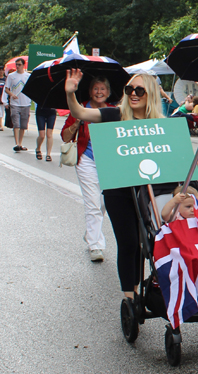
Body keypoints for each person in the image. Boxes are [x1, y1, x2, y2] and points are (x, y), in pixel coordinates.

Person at [65, 69, 164, 298]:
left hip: (148, 191)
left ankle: (140, 287)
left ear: (150, 93)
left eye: (140, 90)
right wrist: (71, 93)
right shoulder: (113, 115)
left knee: (145, 244)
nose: (134, 94)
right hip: (118, 190)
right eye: (130, 90)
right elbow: (79, 111)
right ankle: (130, 297)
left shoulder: (159, 123)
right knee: (128, 243)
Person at [61, 77, 114, 262]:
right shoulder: (80, 108)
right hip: (86, 160)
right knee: (92, 203)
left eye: (103, 89)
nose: (99, 92)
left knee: (103, 203)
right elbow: (65, 137)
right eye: (95, 88)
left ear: (108, 92)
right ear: (90, 91)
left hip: (109, 162)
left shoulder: (114, 110)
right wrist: (77, 122)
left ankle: (91, 232)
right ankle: (95, 245)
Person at [4, 58, 31, 151]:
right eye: (16, 64)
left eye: (19, 64)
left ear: (24, 65)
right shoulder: (11, 76)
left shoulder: (28, 76)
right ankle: (17, 144)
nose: (17, 66)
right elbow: (6, 89)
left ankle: (20, 143)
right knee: (16, 124)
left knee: (23, 125)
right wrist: (12, 95)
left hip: (26, 103)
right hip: (15, 103)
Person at [0, 66, 5, 131]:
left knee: (2, 112)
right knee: (0, 112)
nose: (1, 72)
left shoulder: (5, 79)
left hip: (3, 97)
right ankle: (1, 125)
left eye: (2, 70)